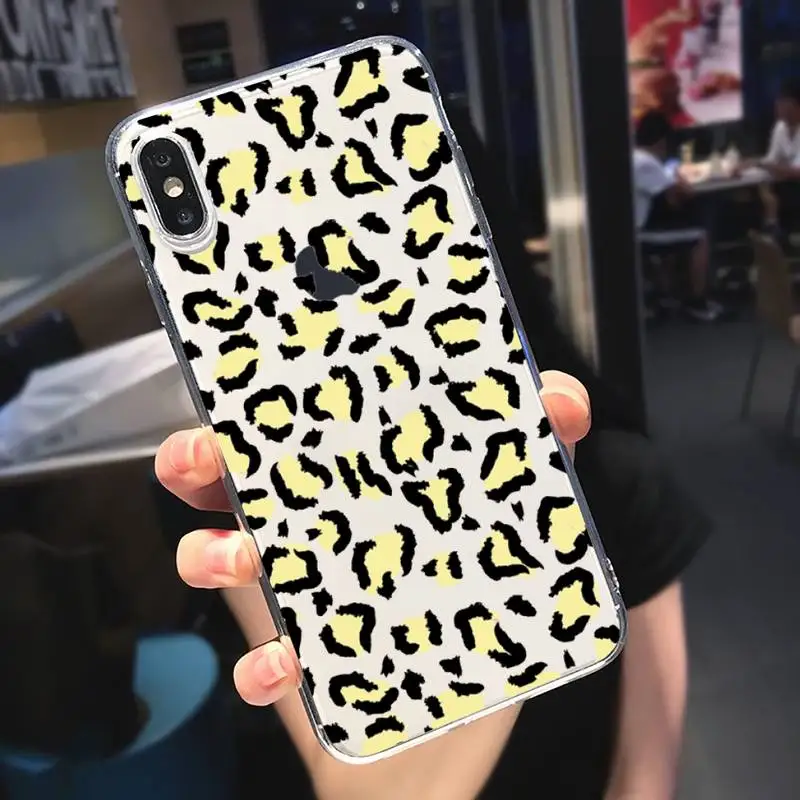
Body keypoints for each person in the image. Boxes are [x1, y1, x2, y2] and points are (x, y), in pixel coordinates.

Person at [155, 107, 710, 799]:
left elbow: (645, 776)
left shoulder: (619, 481)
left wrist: (508, 521)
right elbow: (357, 791)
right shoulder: (263, 500)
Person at [633, 110, 722, 321]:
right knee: (700, 236)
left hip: (640, 225)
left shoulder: (633, 157)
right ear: (662, 141)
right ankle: (697, 302)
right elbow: (681, 195)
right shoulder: (647, 163)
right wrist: (678, 176)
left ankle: (666, 293)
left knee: (679, 228)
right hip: (641, 232)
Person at [749, 78, 800, 243]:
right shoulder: (780, 127)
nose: (778, 107)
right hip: (784, 184)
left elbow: (796, 171)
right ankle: (771, 231)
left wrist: (763, 165)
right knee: (759, 191)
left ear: (796, 106)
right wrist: (746, 167)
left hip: (794, 186)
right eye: (778, 103)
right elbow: (771, 160)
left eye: (783, 103)